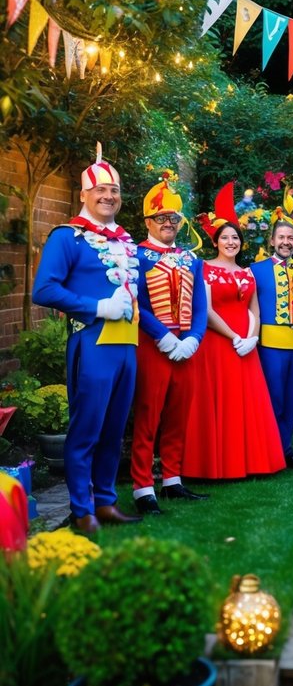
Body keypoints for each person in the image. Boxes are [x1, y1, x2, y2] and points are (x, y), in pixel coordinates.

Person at [32, 145, 141, 535]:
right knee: (87, 430)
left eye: (114, 190)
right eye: (100, 191)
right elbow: (43, 290)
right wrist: (96, 307)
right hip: (93, 341)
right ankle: (81, 508)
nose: (109, 196)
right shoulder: (68, 237)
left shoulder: (126, 240)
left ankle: (105, 502)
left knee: (114, 430)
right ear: (84, 195)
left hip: (127, 346)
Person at [182, 202, 285, 479]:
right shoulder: (203, 268)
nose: (231, 242)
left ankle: (252, 462)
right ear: (215, 241)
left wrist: (253, 338)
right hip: (217, 342)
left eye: (235, 238)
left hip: (246, 344)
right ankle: (212, 465)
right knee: (216, 401)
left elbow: (255, 308)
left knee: (246, 403)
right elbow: (206, 309)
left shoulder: (247, 272)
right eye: (225, 237)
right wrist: (234, 336)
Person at [131, 172, 208, 515]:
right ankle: (142, 488)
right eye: (162, 218)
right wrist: (161, 336)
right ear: (148, 220)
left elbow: (203, 307)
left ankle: (172, 480)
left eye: (173, 218)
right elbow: (137, 303)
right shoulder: (136, 256)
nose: (168, 224)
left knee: (179, 414)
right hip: (153, 345)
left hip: (186, 347)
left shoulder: (193, 259)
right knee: (149, 415)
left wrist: (193, 339)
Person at [251, 215, 293, 469]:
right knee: (274, 399)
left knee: (291, 401)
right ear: (272, 240)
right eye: (282, 238)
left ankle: (286, 450)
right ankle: (270, 450)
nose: (286, 242)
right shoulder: (256, 270)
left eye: (291, 238)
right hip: (270, 345)